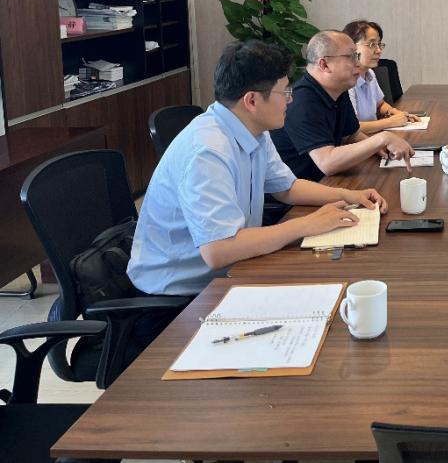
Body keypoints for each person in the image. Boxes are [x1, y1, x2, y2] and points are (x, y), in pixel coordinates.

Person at [128, 40, 388, 297]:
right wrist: (307, 224)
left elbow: (287, 187)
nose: (290, 101)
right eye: (284, 93)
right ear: (252, 100)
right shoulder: (208, 151)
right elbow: (218, 250)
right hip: (181, 295)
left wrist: (349, 196)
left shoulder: (253, 130)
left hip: (235, 268)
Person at [271, 30, 415, 179]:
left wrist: (381, 149)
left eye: (357, 56)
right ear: (324, 64)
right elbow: (327, 163)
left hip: (329, 180)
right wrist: (382, 139)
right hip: (300, 188)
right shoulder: (301, 100)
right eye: (351, 57)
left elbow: (351, 135)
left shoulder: (338, 89)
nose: (358, 63)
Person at [342, 19, 419, 133]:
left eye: (379, 44)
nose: (378, 50)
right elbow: (351, 128)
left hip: (374, 137)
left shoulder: (370, 73)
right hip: (360, 141)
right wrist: (391, 122)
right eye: (372, 44)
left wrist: (396, 113)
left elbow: (380, 104)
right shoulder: (345, 81)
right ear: (352, 47)